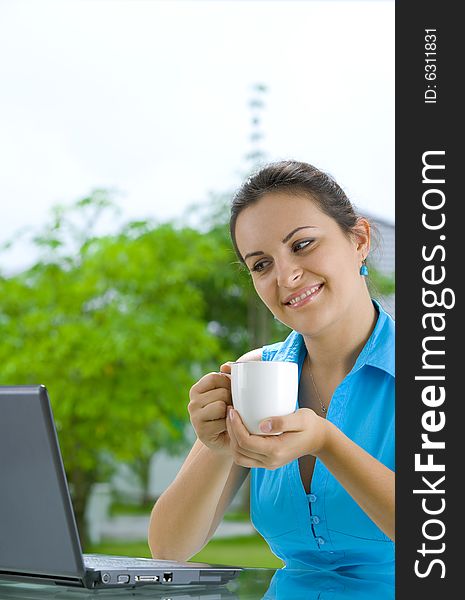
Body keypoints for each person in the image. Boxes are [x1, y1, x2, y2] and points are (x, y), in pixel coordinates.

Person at [148, 160, 395, 576]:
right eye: (261, 264)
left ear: (359, 240)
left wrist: (327, 443)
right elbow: (168, 550)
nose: (286, 276)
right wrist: (217, 448)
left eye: (302, 245)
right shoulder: (254, 372)